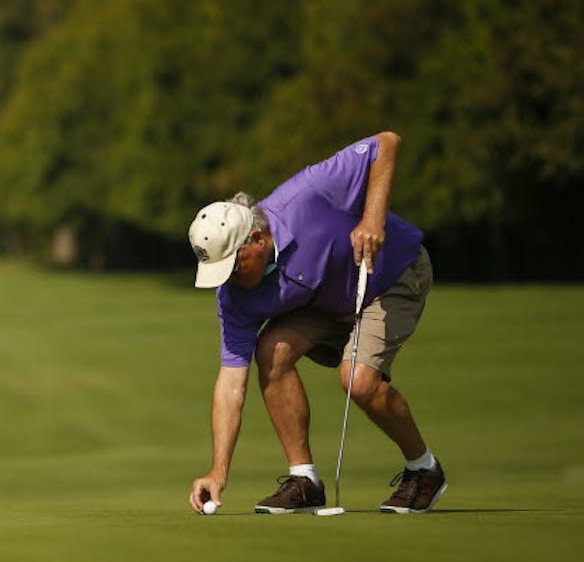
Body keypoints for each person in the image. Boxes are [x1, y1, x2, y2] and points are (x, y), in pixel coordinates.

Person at [185, 131, 447, 514]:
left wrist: (373, 219)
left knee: (357, 380)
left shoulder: (307, 194)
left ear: (256, 239)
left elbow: (386, 144)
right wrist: (217, 472)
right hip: (327, 300)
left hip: (392, 275)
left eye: (233, 266)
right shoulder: (235, 295)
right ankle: (305, 480)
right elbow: (230, 384)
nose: (229, 280)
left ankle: (424, 470)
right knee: (270, 351)